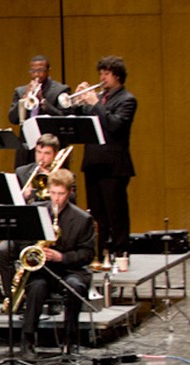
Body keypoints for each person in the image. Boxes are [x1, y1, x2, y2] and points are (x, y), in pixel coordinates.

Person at [15, 169, 95, 358]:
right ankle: (27, 340)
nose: (56, 199)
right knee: (36, 287)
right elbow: (21, 243)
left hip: (70, 270)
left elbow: (87, 254)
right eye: (53, 193)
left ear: (69, 193)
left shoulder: (83, 219)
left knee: (75, 287)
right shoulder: (37, 211)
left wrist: (62, 257)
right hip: (43, 270)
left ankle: (69, 340)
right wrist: (36, 250)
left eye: (61, 194)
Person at [70, 56, 136, 257]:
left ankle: (119, 252)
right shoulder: (99, 98)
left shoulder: (127, 100)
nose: (102, 77)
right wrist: (77, 101)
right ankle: (98, 253)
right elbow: (80, 121)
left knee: (115, 211)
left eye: (106, 73)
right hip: (93, 162)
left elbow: (114, 125)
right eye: (101, 73)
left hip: (114, 165)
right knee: (96, 213)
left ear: (117, 76)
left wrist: (95, 102)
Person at [8, 56, 72, 167]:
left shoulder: (61, 90)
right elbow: (13, 119)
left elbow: (63, 118)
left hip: (51, 149)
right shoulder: (20, 91)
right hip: (26, 150)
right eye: (33, 71)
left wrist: (43, 101)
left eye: (40, 70)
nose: (37, 75)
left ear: (48, 70)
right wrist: (23, 99)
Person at [13, 133, 74, 204]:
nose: (41, 157)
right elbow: (14, 201)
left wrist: (53, 178)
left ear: (56, 154)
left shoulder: (67, 176)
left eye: (47, 153)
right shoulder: (21, 172)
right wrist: (24, 196)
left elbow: (72, 201)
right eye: (39, 152)